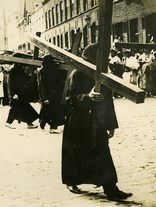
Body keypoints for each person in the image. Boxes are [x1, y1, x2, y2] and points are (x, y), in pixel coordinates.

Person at [61, 43, 133, 201]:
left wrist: (110, 124)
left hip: (97, 121)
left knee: (103, 153)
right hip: (79, 121)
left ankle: (111, 188)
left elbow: (108, 102)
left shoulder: (103, 75)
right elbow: (69, 99)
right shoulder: (77, 74)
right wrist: (87, 97)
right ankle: (72, 181)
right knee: (76, 153)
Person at [5, 53, 39, 129]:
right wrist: (13, 93)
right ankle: (8, 122)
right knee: (15, 107)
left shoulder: (19, 68)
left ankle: (29, 123)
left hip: (21, 92)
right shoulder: (14, 69)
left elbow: (25, 78)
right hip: (17, 92)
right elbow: (11, 83)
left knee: (25, 107)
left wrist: (32, 74)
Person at [37, 54, 66, 134]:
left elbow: (58, 79)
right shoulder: (42, 71)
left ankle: (47, 125)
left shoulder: (50, 69)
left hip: (53, 94)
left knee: (50, 111)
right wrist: (44, 98)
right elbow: (41, 85)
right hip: (48, 95)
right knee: (49, 111)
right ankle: (51, 126)